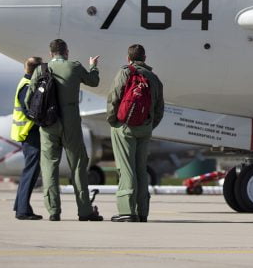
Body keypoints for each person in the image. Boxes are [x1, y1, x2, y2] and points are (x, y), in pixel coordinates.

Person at [26, 39, 102, 221]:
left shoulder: (41, 70)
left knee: (49, 166)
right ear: (66, 52)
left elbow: (29, 100)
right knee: (77, 165)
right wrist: (93, 66)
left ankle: (53, 211)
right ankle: (84, 210)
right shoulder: (74, 67)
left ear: (51, 53)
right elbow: (94, 81)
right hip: (71, 124)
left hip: (48, 125)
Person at [106, 44, 164, 222]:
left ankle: (127, 211)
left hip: (125, 127)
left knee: (126, 168)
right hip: (145, 128)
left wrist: (113, 121)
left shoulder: (125, 72)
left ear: (128, 58)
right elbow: (159, 108)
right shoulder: (154, 78)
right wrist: (149, 126)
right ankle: (142, 211)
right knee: (140, 168)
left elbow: (114, 97)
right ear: (145, 58)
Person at [10, 56, 43, 220]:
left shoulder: (26, 83)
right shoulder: (28, 86)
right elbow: (30, 111)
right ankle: (22, 210)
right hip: (29, 133)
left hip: (27, 132)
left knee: (30, 170)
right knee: (31, 171)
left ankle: (21, 205)